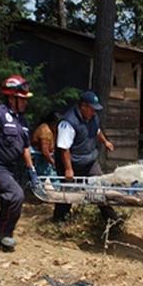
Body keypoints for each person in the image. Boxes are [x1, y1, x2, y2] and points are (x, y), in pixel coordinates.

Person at [0, 74, 39, 250]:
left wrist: (31, 169)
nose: (25, 102)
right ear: (11, 98)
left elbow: (25, 147)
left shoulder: (22, 120)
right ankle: (6, 233)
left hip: (13, 168)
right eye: (22, 99)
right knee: (16, 195)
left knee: (8, 200)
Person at [53, 91, 118, 223]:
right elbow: (64, 148)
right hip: (72, 163)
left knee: (99, 189)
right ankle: (59, 221)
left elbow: (97, 130)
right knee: (67, 194)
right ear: (83, 106)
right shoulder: (68, 122)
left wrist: (105, 142)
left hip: (89, 161)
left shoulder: (93, 117)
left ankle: (111, 221)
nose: (94, 112)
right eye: (92, 108)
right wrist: (68, 169)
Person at [31, 111, 60, 176]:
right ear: (53, 123)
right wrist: (53, 163)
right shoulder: (45, 130)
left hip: (46, 159)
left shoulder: (53, 131)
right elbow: (45, 151)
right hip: (39, 160)